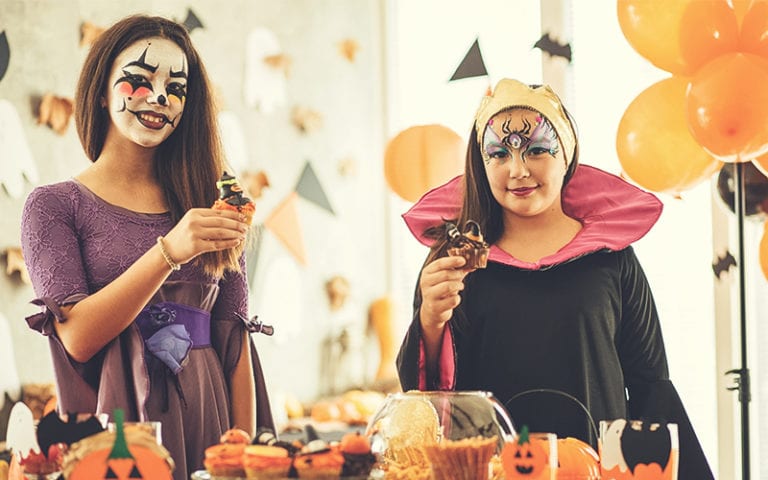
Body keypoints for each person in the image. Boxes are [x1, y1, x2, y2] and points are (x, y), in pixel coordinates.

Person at [396, 78, 714, 478]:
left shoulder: (612, 260)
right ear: (482, 164)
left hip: (596, 472)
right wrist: (430, 319)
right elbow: (426, 401)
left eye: (538, 150)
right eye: (498, 154)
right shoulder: (453, 263)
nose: (518, 170)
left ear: (567, 155)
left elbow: (651, 386)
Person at [20, 15, 273, 479]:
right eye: (138, 80)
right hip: (114, 425)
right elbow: (76, 339)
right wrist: (168, 252)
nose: (159, 97)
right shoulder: (53, 206)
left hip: (209, 418)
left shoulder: (211, 202)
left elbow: (233, 337)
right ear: (100, 90)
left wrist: (244, 457)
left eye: (176, 87)